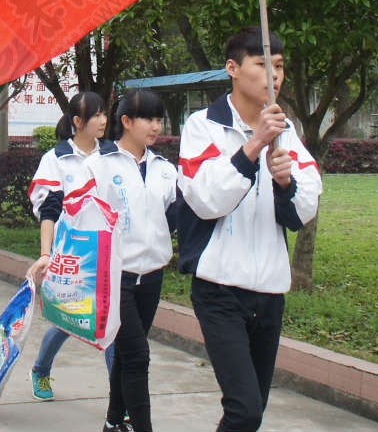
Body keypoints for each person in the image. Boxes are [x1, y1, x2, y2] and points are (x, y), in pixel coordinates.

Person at [178, 27, 322, 432]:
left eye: (279, 66)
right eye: (262, 64)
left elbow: (305, 207)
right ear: (233, 69)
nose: (273, 76)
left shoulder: (287, 132)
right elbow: (205, 199)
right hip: (220, 288)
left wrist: (286, 184)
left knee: (253, 408)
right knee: (244, 410)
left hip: (270, 290)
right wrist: (253, 146)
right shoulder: (203, 126)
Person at [61, 88, 177, 432]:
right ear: (126, 122)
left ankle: (113, 422)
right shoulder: (99, 164)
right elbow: (74, 210)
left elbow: (174, 212)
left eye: (159, 119)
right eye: (148, 118)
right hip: (114, 278)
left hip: (152, 275)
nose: (156, 126)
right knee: (139, 356)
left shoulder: (164, 168)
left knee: (127, 355)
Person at [25, 91, 115, 401]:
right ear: (78, 121)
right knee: (69, 319)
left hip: (106, 253)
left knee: (109, 322)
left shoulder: (112, 156)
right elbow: (49, 209)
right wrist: (46, 254)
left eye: (105, 113)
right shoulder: (57, 159)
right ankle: (40, 369)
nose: (104, 120)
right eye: (96, 115)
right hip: (71, 253)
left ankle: (120, 397)